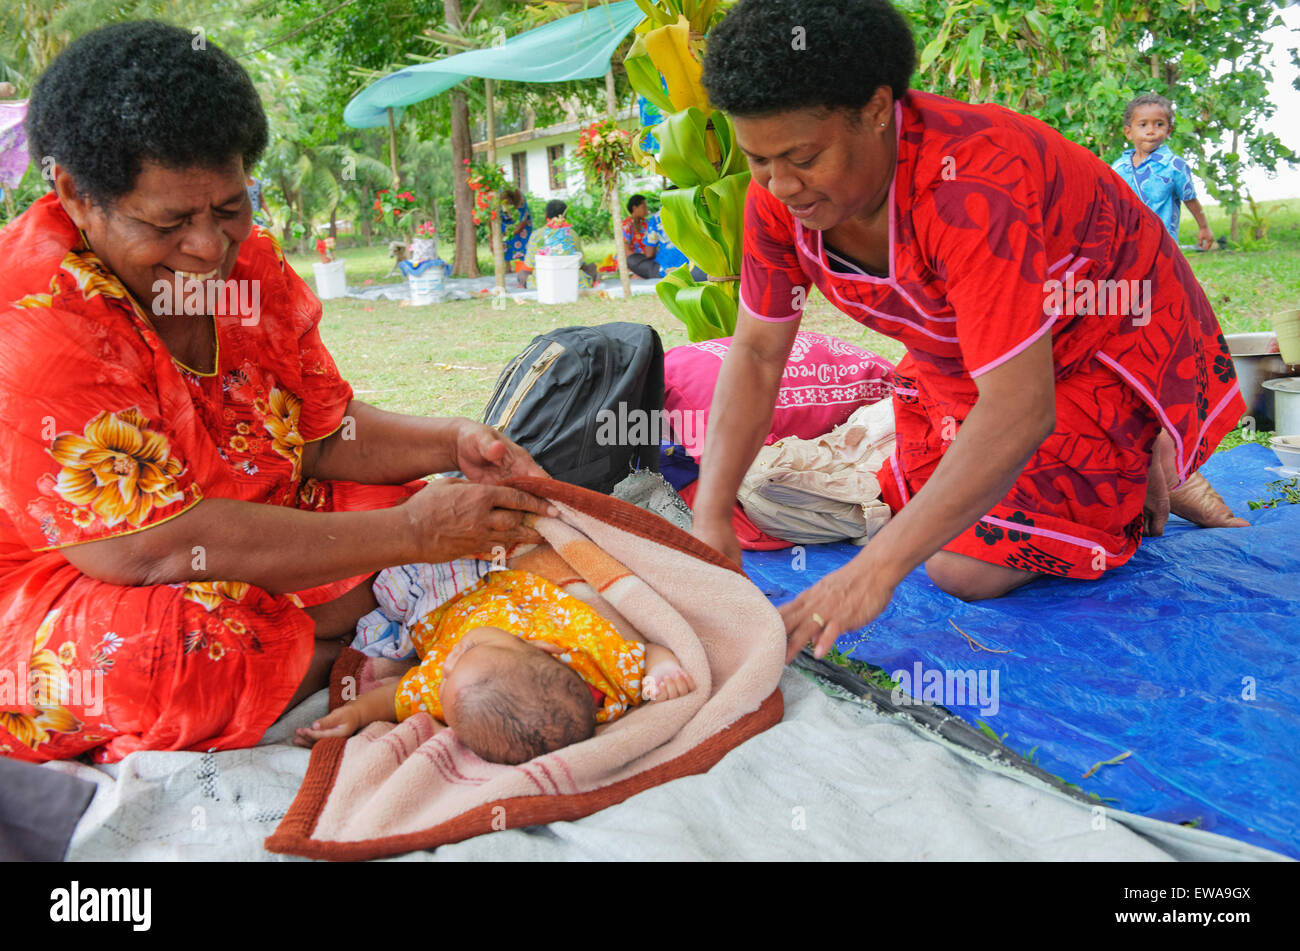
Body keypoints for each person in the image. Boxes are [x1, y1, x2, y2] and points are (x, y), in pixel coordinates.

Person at [0, 21, 554, 764]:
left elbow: (319, 436)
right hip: (87, 574)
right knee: (173, 647)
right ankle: (362, 641)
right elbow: (150, 549)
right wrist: (415, 536)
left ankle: (341, 640)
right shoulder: (34, 317)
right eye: (168, 222)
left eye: (229, 208)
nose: (207, 248)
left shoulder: (246, 261)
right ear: (75, 194)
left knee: (439, 515)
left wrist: (451, 439)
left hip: (245, 528)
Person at [694, 0, 1248, 664]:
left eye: (803, 157)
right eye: (758, 160)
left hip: (1097, 336)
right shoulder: (779, 201)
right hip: (975, 361)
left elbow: (1018, 408)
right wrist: (711, 518)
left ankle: (1139, 453)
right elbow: (755, 353)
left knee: (962, 570)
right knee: (921, 507)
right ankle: (1129, 465)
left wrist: (872, 574)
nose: (781, 185)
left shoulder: (971, 184)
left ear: (876, 110)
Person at [294, 564, 695, 763]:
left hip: (428, 607)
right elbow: (647, 652)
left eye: (444, 682)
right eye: (466, 652)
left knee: (389, 583)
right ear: (543, 648)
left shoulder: (459, 693)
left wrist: (353, 714)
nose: (446, 665)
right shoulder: (599, 663)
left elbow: (394, 695)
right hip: (485, 576)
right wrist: (663, 670)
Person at [1110, 93, 1214, 250]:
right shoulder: (1118, 168)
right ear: (1128, 132)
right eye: (1143, 125)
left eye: (1159, 124)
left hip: (1162, 249)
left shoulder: (1174, 166)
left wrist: (1204, 227)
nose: (1151, 131)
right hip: (1125, 248)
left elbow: (1190, 199)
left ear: (1169, 130)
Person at [522, 199, 600, 287]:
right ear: (564, 217)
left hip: (542, 282)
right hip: (572, 281)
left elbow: (529, 266)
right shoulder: (572, 233)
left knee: (522, 274)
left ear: (546, 215)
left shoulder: (535, 235)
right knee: (592, 267)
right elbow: (580, 263)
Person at [500, 187, 533, 288]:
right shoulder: (497, 200)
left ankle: (523, 268)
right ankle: (508, 268)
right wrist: (505, 234)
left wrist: (514, 232)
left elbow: (523, 221)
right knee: (504, 242)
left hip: (522, 224)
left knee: (523, 242)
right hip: (504, 222)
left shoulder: (520, 200)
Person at [622, 194, 660, 279]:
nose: (646, 211)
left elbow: (653, 247)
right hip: (633, 261)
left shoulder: (646, 224)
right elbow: (626, 251)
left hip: (647, 260)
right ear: (634, 208)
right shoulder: (626, 225)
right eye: (644, 207)